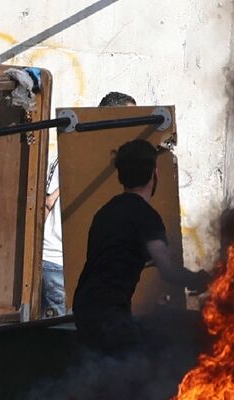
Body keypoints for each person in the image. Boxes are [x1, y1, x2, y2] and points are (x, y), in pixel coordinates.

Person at [72, 139, 209, 355]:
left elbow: (113, 256)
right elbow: (168, 271)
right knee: (142, 367)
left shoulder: (106, 211)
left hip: (84, 307)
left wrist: (145, 260)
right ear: (155, 175)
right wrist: (201, 279)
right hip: (110, 312)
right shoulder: (146, 216)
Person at [41, 91, 138, 317]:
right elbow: (48, 202)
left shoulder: (83, 148)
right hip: (58, 261)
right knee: (63, 334)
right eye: (129, 117)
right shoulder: (80, 150)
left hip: (66, 262)